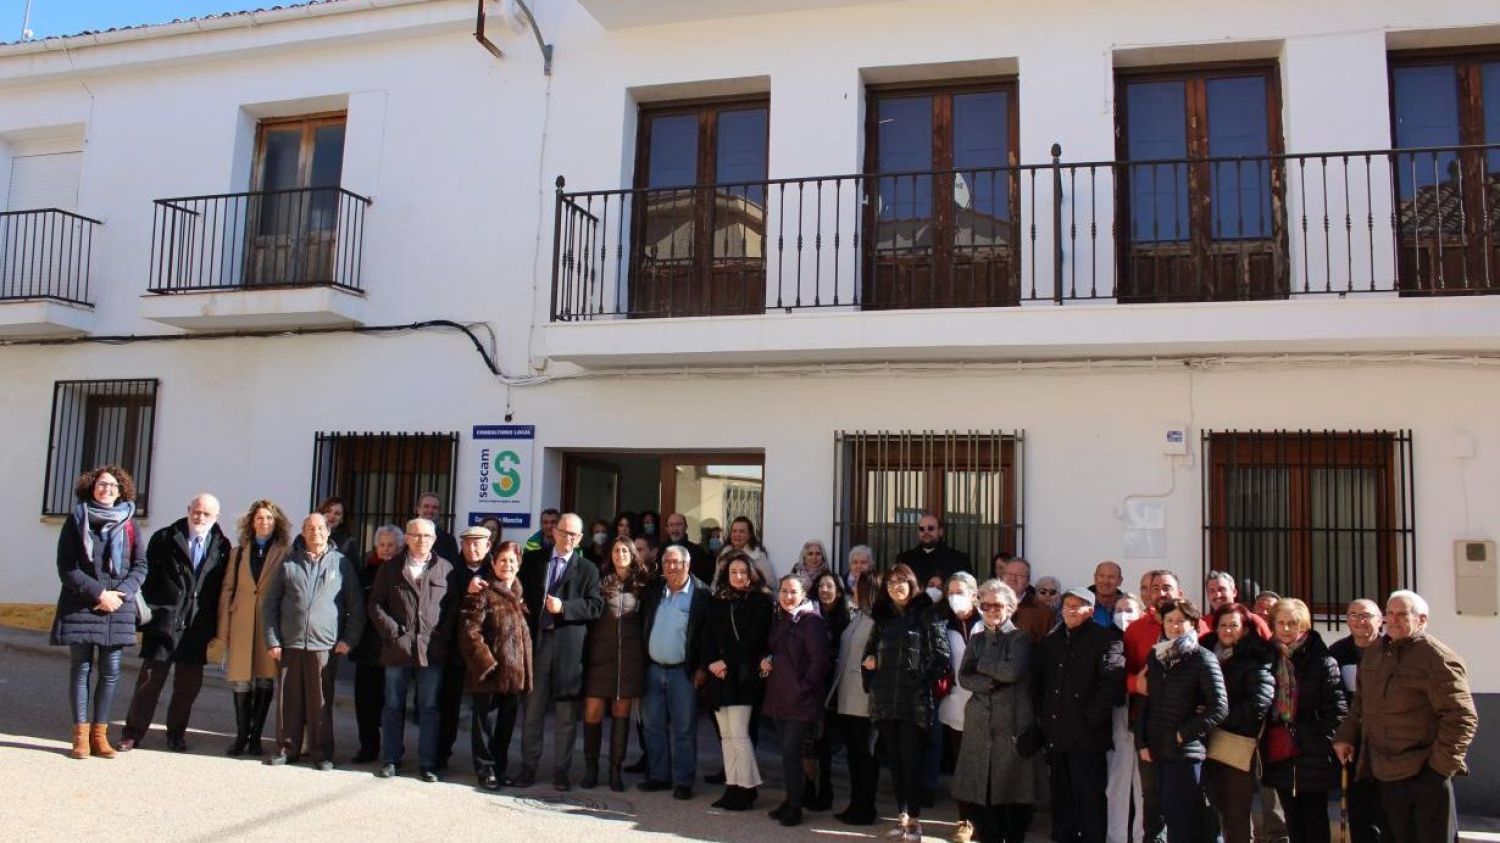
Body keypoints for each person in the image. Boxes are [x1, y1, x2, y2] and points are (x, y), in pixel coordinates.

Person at [1333, 590, 1476, 843]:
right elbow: (1360, 703)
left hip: (1424, 774)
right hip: (1384, 772)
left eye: (1402, 614)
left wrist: (1438, 769)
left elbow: (1462, 717)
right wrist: (1344, 736)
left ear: (1422, 620)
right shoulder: (1375, 652)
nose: (1394, 619)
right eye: (1390, 613)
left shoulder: (1436, 658)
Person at [118, 493, 230, 753]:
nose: (200, 517)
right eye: (197, 511)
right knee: (148, 682)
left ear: (216, 517)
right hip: (164, 622)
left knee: (187, 688)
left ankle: (176, 734)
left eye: (207, 514)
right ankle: (132, 733)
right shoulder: (165, 538)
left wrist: (214, 626)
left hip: (196, 627)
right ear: (188, 509)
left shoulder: (222, 546)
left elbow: (218, 589)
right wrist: (150, 613)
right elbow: (148, 579)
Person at [51, 465, 148, 759]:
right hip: (83, 601)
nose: (107, 489)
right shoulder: (77, 519)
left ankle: (100, 735)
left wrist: (121, 594)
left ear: (121, 492)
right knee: (81, 670)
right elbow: (66, 566)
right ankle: (80, 736)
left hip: (117, 605)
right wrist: (98, 593)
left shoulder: (130, 523)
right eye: (102, 484)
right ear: (91, 488)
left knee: (110, 672)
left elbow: (140, 566)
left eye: (113, 486)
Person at [261, 513, 366, 770]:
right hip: (291, 643)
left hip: (325, 646)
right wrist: (272, 640)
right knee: (289, 701)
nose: (315, 532)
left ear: (328, 532)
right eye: (310, 528)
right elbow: (270, 605)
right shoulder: (289, 563)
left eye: (320, 528)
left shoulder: (341, 564)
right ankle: (287, 749)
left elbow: (357, 606)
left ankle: (321, 753)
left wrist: (348, 640)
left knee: (320, 702)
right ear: (303, 532)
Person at [517, 512, 604, 790]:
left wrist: (565, 607)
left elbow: (595, 606)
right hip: (538, 642)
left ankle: (561, 771)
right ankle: (528, 766)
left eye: (575, 535)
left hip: (569, 648)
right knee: (533, 710)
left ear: (580, 538)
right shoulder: (532, 561)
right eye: (564, 532)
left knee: (566, 716)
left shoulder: (588, 568)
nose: (569, 538)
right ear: (554, 532)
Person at [863, 563, 950, 842]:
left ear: (912, 584)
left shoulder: (927, 614)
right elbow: (868, 653)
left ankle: (914, 820)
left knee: (913, 762)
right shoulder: (883, 617)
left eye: (901, 581)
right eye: (890, 582)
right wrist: (870, 668)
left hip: (914, 702)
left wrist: (919, 682)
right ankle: (902, 816)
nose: (896, 587)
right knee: (896, 762)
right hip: (886, 698)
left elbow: (941, 657)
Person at [1123, 569, 1211, 842]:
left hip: (1188, 734)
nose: (1161, 593)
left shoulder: (1202, 633)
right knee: (1152, 796)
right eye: (1155, 588)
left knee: (1190, 800)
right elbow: (1121, 673)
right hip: (1149, 727)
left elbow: (1214, 690)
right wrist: (1135, 684)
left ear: (1179, 593)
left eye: (1167, 587)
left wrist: (1189, 727)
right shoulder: (1137, 630)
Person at [1035, 587, 1126, 843]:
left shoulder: (1106, 639)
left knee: (1089, 797)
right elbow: (1040, 684)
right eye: (1067, 606)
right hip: (1055, 734)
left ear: (1091, 610)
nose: (1071, 610)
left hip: (1087, 737)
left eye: (1078, 606)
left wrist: (1089, 719)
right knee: (1061, 796)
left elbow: (1111, 685)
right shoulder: (1051, 641)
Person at [368, 517, 455, 782]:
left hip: (431, 650)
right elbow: (375, 605)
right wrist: (393, 632)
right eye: (416, 535)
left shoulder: (445, 569)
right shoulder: (391, 568)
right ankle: (390, 759)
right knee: (393, 706)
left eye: (427, 536)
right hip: (399, 649)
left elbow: (453, 607)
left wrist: (441, 634)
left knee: (429, 708)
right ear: (406, 538)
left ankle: (427, 763)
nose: (421, 541)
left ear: (434, 539)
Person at [1135, 597, 1227, 843]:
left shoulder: (1202, 658)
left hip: (1185, 752)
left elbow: (1219, 707)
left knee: (1183, 822)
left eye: (1181, 621)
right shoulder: (1156, 656)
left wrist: (1182, 734)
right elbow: (1146, 700)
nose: (1175, 626)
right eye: (1169, 621)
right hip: (1155, 750)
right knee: (1160, 818)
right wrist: (1141, 742)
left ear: (1193, 624)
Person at [952, 580, 1036, 843]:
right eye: (985, 605)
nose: (990, 610)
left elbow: (1012, 672)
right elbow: (964, 676)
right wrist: (990, 681)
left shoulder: (1020, 638)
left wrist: (983, 664)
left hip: (1010, 723)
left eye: (997, 605)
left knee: (1011, 793)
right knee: (980, 793)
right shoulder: (976, 639)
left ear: (1010, 608)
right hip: (979, 724)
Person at [1259, 598, 1345, 843]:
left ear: (1304, 626)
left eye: (1293, 623)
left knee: (1315, 819)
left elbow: (1337, 709)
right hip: (1279, 751)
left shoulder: (1322, 661)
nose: (1286, 629)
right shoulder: (1266, 659)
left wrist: (1319, 741)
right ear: (1273, 625)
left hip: (1313, 753)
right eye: (1281, 623)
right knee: (1292, 819)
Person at [217, 499, 291, 757]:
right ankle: (240, 735)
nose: (264, 522)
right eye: (259, 518)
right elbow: (228, 589)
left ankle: (256, 736)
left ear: (276, 522)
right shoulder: (239, 553)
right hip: (241, 622)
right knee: (240, 680)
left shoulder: (284, 552)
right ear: (252, 522)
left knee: (264, 678)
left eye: (269, 518)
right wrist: (223, 628)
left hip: (269, 624)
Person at [702, 550, 774, 810]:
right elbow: (706, 635)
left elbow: (754, 641)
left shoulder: (761, 602)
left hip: (743, 677)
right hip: (718, 675)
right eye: (733, 572)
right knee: (726, 735)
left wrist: (726, 663)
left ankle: (748, 789)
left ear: (752, 574)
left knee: (740, 734)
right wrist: (711, 662)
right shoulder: (717, 600)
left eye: (743, 572)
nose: (738, 576)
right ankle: (732, 786)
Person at [638, 544, 711, 799]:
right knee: (653, 726)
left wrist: (702, 667)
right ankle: (659, 776)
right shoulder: (655, 590)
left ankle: (683, 781)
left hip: (684, 673)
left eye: (676, 562)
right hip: (653, 670)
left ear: (687, 565)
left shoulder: (702, 594)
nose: (671, 567)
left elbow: (706, 636)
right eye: (667, 562)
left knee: (684, 729)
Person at [459, 539, 533, 790]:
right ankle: (485, 770)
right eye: (502, 560)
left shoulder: (519, 594)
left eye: (512, 561)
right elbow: (470, 631)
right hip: (489, 674)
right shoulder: (483, 591)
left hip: (513, 675)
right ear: (493, 562)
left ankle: (499, 769)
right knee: (484, 726)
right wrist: (487, 663)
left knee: (505, 726)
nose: (507, 565)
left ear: (519, 564)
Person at [762, 574, 833, 827]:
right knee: (787, 753)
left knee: (792, 754)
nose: (787, 596)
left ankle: (795, 806)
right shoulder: (782, 619)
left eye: (793, 592)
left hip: (801, 702)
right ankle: (791, 798)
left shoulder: (811, 621)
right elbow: (774, 649)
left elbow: (819, 661)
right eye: (783, 591)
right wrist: (767, 659)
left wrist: (802, 688)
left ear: (803, 594)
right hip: (779, 698)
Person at [581, 537, 650, 791]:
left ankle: (615, 770)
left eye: (624, 550)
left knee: (621, 714)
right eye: (616, 550)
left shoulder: (643, 585)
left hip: (630, 658)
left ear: (632, 554)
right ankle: (591, 769)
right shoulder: (600, 582)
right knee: (593, 711)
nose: (620, 554)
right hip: (599, 655)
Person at [1202, 603, 1274, 843]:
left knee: (1235, 812)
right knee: (1210, 810)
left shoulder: (1256, 657)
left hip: (1236, 742)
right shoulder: (1204, 653)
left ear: (1245, 629)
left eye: (1234, 625)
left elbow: (1258, 704)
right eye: (1222, 625)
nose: (1227, 630)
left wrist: (1216, 717)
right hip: (1203, 741)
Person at [1326, 599, 1389, 843]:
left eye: (1366, 615)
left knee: (1386, 807)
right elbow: (1334, 695)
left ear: (1379, 619)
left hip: (1387, 739)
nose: (1360, 621)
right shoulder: (1337, 652)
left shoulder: (1390, 649)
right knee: (1358, 805)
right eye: (1353, 615)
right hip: (1353, 740)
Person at [437, 526, 493, 770]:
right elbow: (442, 607)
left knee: (483, 712)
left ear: (488, 546)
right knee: (448, 706)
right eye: (467, 543)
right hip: (454, 650)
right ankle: (440, 757)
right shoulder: (449, 570)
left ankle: (484, 765)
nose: (472, 548)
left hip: (484, 652)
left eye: (477, 543)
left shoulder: (496, 570)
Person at [829, 571, 880, 825]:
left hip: (863, 697)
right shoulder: (858, 616)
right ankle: (856, 803)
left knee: (863, 755)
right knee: (854, 754)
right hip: (846, 695)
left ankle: (864, 807)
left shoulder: (877, 620)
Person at [348, 524, 401, 764]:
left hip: (393, 649)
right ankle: (367, 747)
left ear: (399, 547)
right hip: (367, 649)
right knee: (365, 704)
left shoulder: (405, 572)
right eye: (382, 545)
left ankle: (392, 752)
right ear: (376, 547)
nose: (387, 549)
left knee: (391, 705)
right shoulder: (365, 572)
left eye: (391, 545)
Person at [933, 572, 981, 806]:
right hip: (956, 704)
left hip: (985, 705)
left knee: (982, 763)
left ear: (974, 595)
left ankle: (985, 816)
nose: (954, 598)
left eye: (960, 592)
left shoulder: (986, 622)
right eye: (950, 593)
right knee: (960, 762)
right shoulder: (943, 624)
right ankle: (965, 818)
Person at [1104, 594, 1147, 843]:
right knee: (1116, 783)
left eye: (1129, 609)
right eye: (1118, 609)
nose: (1123, 614)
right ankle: (1116, 837)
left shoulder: (1147, 638)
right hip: (1117, 715)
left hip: (1144, 714)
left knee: (1144, 785)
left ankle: (1143, 837)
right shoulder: (1107, 638)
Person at [808, 570, 851, 810]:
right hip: (816, 685)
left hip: (840, 686)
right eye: (821, 586)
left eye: (830, 586)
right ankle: (819, 787)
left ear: (838, 590)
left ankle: (829, 787)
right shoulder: (809, 614)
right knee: (818, 741)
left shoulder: (847, 616)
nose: (825, 590)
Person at [896, 513, 971, 589]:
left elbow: (968, 589)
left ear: (941, 531)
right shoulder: (904, 559)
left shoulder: (959, 559)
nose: (926, 532)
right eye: (921, 529)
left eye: (930, 528)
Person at [998, 557, 1053, 643]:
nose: (1013, 579)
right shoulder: (988, 606)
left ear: (1027, 582)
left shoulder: (1042, 612)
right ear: (1001, 579)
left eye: (1019, 575)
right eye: (1009, 574)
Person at [1205, 571, 1272, 639]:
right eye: (1212, 591)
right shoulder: (1202, 623)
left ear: (1234, 592)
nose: (1217, 595)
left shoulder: (1253, 622)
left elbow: (1270, 648)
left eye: (1221, 589)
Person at [662, 511, 713, 586]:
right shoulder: (660, 551)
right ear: (666, 528)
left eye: (679, 524)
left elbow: (705, 579)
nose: (675, 528)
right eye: (671, 525)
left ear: (686, 527)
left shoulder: (698, 551)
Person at [719, 515, 773, 584]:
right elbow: (716, 580)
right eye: (734, 531)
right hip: (725, 593)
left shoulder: (758, 556)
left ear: (749, 535)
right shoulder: (724, 553)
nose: (737, 535)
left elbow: (771, 583)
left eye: (742, 531)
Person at [416, 492, 458, 563]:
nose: (430, 511)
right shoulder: (405, 536)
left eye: (435, 508)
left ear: (439, 512)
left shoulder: (449, 540)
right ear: (418, 510)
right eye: (426, 506)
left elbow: (452, 568)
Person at [1090, 561, 1123, 629]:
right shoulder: (1081, 605)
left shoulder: (1128, 608)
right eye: (1101, 576)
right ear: (1095, 578)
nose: (1105, 581)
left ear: (1120, 581)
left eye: (1111, 577)